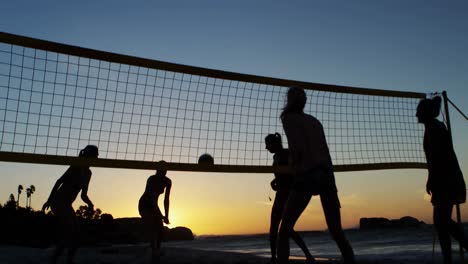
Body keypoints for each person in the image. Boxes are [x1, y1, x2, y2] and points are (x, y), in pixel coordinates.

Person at [277, 87, 355, 264]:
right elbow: (326, 153)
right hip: (326, 174)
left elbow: (297, 148)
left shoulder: (287, 118)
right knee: (336, 231)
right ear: (304, 100)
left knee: (285, 229)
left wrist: (293, 168)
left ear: (289, 100)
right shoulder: (315, 121)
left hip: (306, 175)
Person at [416, 96, 468, 264]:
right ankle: (449, 258)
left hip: (446, 180)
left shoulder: (433, 128)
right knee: (441, 222)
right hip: (448, 178)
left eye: (418, 111)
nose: (416, 114)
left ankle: (452, 256)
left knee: (442, 222)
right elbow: (436, 158)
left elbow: (437, 158)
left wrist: (431, 179)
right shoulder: (435, 126)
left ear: (425, 113)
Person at [42, 145, 99, 264]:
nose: (97, 158)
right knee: (70, 232)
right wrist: (49, 200)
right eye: (95, 155)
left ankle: (69, 260)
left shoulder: (88, 173)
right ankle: (54, 260)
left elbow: (83, 195)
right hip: (58, 202)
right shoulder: (76, 166)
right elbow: (59, 181)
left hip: (67, 205)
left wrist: (90, 204)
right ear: (89, 156)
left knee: (76, 234)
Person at [265, 133, 315, 264]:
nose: (266, 147)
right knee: (275, 228)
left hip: (288, 195)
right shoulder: (276, 156)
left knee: (286, 229)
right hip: (280, 194)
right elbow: (283, 174)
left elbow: (294, 173)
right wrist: (275, 181)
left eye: (268, 144)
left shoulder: (288, 154)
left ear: (275, 144)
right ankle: (273, 258)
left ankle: (307, 255)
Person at [139, 161, 172, 264]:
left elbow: (166, 200)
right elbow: (151, 198)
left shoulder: (168, 181)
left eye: (165, 169)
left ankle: (156, 252)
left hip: (154, 205)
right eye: (161, 169)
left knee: (160, 230)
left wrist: (166, 216)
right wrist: (159, 214)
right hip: (145, 203)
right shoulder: (152, 179)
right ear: (157, 170)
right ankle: (154, 252)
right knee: (153, 227)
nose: (163, 171)